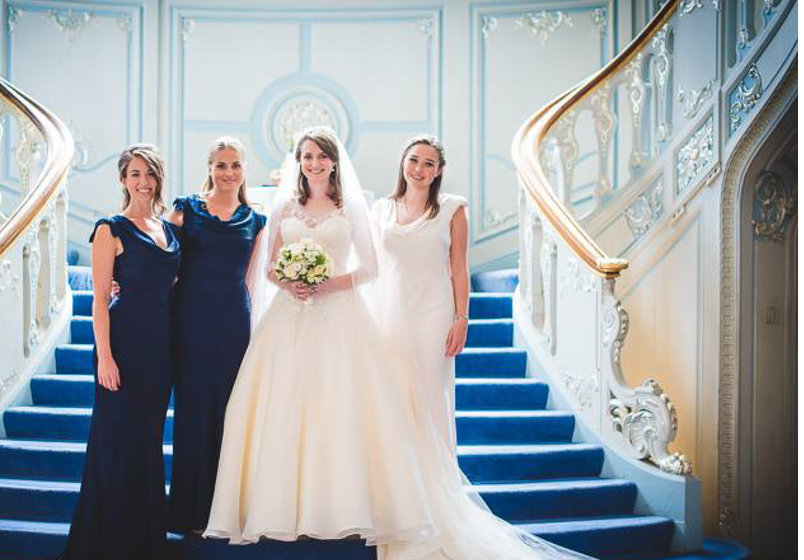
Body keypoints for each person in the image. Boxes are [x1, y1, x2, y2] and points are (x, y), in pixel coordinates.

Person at [204, 127, 593, 560]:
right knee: (284, 405)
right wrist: (291, 282)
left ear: (334, 161)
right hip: (288, 318)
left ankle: (340, 505)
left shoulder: (353, 207)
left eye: (321, 156)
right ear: (299, 161)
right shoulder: (285, 207)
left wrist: (328, 283)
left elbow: (369, 268)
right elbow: (269, 268)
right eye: (307, 156)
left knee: (340, 408)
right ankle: (280, 505)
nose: (314, 163)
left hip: (340, 314)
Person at [61, 144, 180, 559]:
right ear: (123, 180)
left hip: (160, 351)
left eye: (149, 173)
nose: (143, 181)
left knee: (147, 444)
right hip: (123, 348)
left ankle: (145, 539)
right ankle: (107, 543)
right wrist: (105, 357)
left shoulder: (169, 230)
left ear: (158, 179)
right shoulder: (109, 228)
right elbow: (98, 301)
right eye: (135, 174)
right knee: (116, 443)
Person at [166, 137, 267, 533]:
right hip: (190, 320)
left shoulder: (255, 220)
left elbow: (251, 280)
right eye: (221, 165)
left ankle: (226, 511)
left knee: (230, 412)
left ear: (244, 170)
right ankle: (189, 512)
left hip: (232, 323)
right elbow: (159, 257)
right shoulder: (184, 209)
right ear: (209, 167)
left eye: (236, 165)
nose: (228, 173)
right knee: (193, 412)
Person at [372, 135, 469, 457]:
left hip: (434, 314)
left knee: (428, 394)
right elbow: (369, 266)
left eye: (429, 163)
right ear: (403, 162)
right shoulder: (381, 209)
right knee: (393, 395)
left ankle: (435, 475)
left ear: (439, 171)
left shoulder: (453, 209)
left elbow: (459, 267)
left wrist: (461, 318)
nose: (419, 169)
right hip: (390, 313)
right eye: (414, 160)